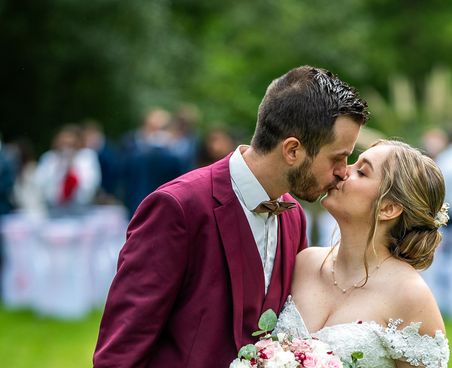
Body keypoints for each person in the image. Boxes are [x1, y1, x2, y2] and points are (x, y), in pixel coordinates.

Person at [93, 66, 369, 368]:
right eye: (338, 157)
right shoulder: (178, 207)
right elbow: (121, 351)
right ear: (292, 150)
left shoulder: (294, 218)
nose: (344, 170)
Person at [275, 140, 450, 368]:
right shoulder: (304, 263)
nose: (342, 171)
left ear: (388, 208)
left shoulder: (410, 295)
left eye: (361, 172)